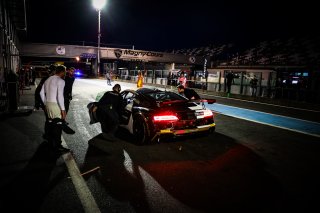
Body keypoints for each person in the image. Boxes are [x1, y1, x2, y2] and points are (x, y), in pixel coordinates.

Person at [40, 65, 70, 154]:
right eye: (65, 72)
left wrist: (45, 103)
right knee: (58, 126)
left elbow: (41, 93)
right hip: (55, 105)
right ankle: (57, 146)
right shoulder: (60, 81)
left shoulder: (48, 79)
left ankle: (51, 143)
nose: (65, 73)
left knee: (51, 124)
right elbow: (60, 96)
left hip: (48, 104)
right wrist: (63, 110)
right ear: (62, 72)